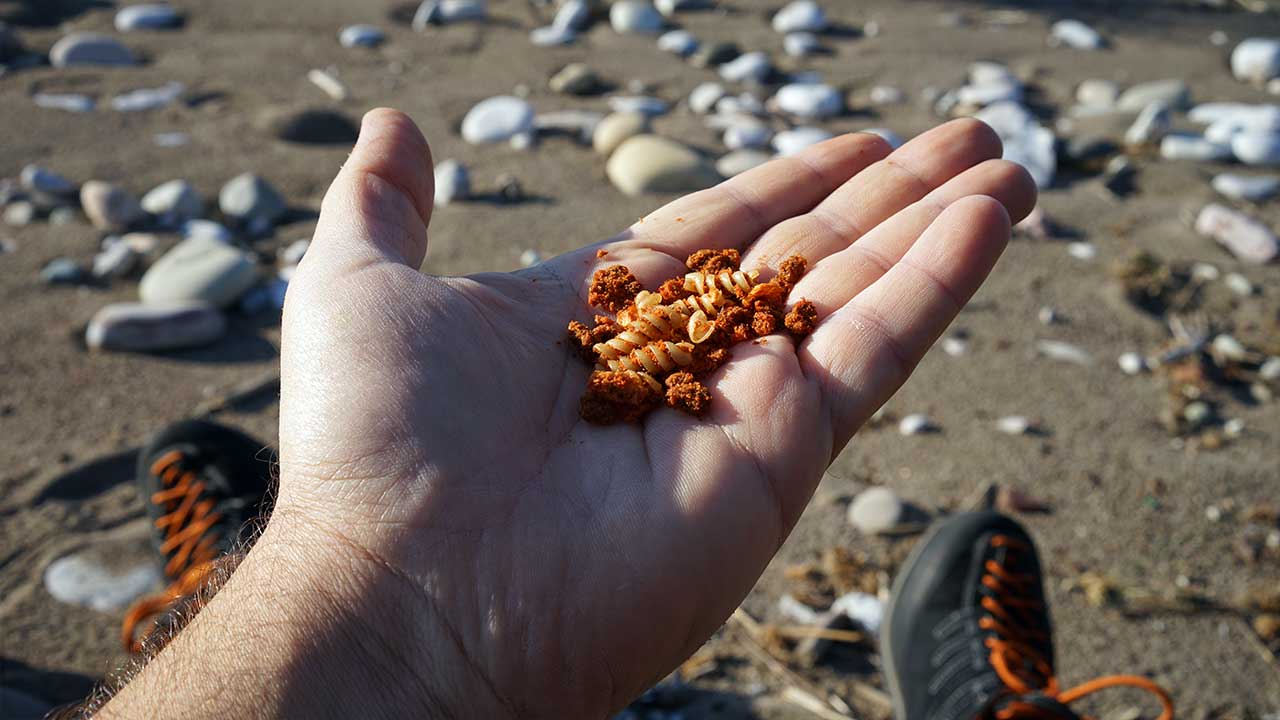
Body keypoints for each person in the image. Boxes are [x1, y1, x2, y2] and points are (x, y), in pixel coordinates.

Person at [64, 109, 1170, 719]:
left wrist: (367, 611)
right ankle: (275, 601)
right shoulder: (625, 345)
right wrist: (362, 582)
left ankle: (253, 610)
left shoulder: (688, 331)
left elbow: (700, 333)